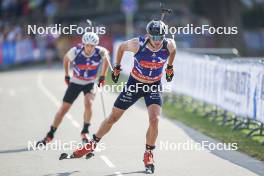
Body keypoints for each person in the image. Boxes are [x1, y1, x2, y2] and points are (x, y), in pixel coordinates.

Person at [60, 20, 176, 174]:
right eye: (153, 38)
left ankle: (148, 154)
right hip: (134, 84)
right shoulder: (137, 44)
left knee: (155, 119)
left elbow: (173, 52)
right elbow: (121, 47)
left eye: (160, 38)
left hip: (153, 86)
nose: (157, 41)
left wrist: (169, 67)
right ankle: (92, 144)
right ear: (148, 35)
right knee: (113, 117)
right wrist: (117, 68)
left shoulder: (169, 45)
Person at [36, 32, 110, 146]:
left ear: (95, 46)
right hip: (76, 81)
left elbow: (107, 59)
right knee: (64, 109)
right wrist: (66, 75)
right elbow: (66, 59)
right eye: (87, 45)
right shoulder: (75, 51)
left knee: (89, 103)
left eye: (92, 46)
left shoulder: (100, 51)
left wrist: (103, 76)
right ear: (83, 44)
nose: (89, 48)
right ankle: (50, 134)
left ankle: (85, 132)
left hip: (90, 82)